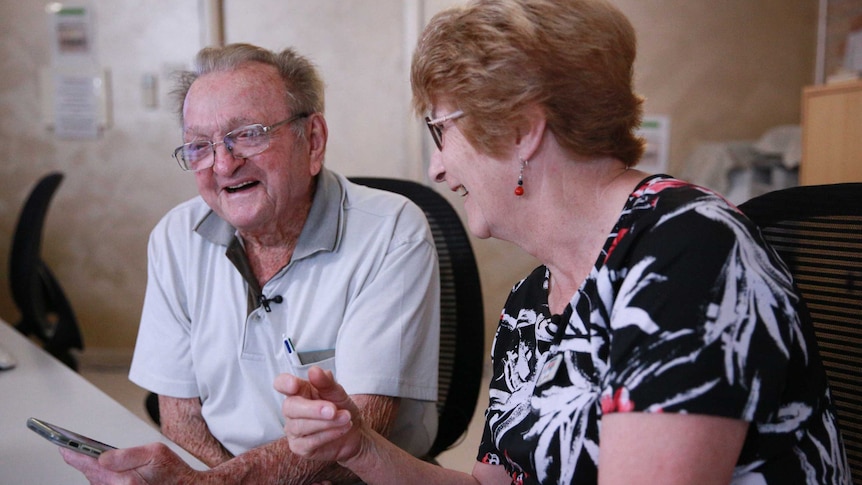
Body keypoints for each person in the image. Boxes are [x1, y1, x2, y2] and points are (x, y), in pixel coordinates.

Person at [275, 0, 851, 484]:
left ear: (524, 129)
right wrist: (359, 447)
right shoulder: (531, 303)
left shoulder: (691, 252)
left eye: (441, 130)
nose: (437, 168)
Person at [60, 43, 440, 483]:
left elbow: (363, 428)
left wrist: (219, 484)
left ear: (312, 141)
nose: (223, 163)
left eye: (249, 134)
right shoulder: (174, 238)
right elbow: (180, 419)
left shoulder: (391, 231)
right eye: (199, 145)